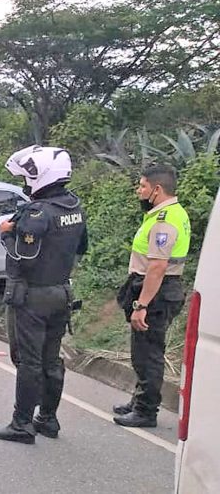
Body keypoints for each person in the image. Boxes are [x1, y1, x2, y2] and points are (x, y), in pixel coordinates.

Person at [0, 145, 88, 445]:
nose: (25, 183)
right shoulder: (73, 208)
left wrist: (5, 233)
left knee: (28, 361)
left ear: (41, 175)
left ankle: (22, 424)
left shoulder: (37, 213)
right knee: (51, 359)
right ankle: (47, 418)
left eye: (27, 177)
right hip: (61, 293)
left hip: (32, 297)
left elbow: (23, 255)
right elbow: (80, 248)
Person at [113, 165, 190, 428]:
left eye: (142, 186)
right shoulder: (168, 214)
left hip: (157, 291)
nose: (139, 191)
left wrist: (141, 305)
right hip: (158, 288)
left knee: (149, 354)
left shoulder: (164, 220)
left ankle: (146, 411)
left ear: (157, 189)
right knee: (142, 351)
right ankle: (139, 400)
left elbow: (157, 267)